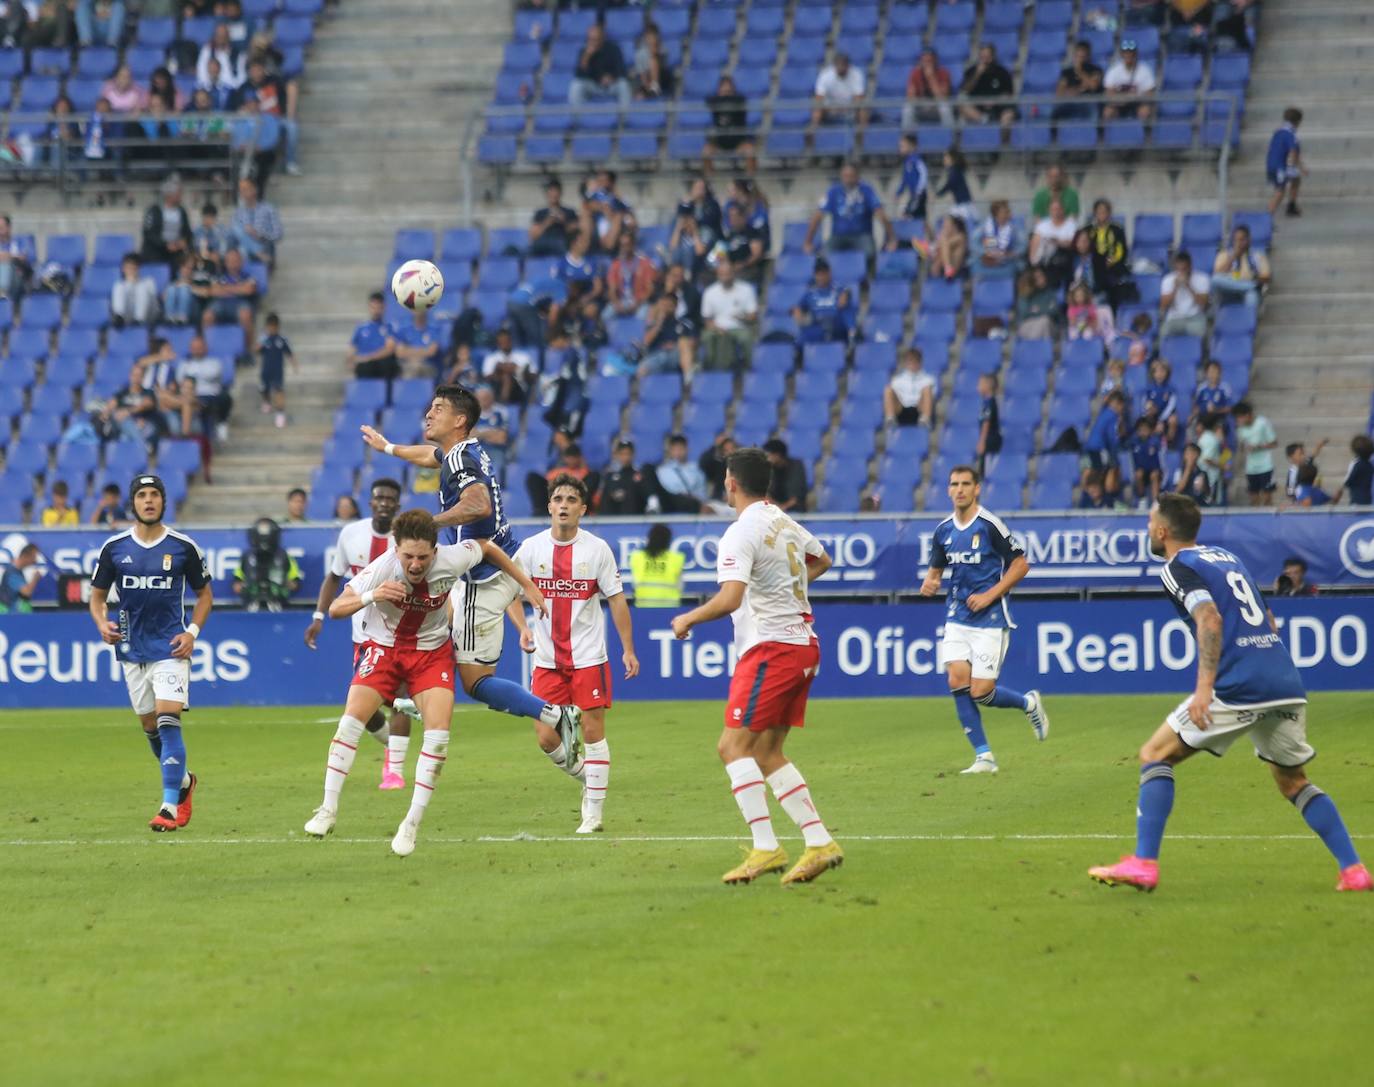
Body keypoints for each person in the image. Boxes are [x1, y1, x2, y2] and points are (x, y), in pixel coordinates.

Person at [1088, 494, 1371, 894]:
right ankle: (1354, 871)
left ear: (1163, 531)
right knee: (1293, 782)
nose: (1148, 527)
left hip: (1239, 684)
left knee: (1155, 754)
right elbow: (1268, 617)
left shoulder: (1176, 567)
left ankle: (1144, 863)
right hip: (1284, 681)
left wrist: (1205, 688)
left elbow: (1209, 617)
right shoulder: (1224, 557)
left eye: (1151, 521)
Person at [302, 509, 548, 856]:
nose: (415, 564)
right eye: (408, 556)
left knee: (438, 736)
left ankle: (410, 825)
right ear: (396, 550)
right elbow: (338, 609)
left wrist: (526, 584)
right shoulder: (383, 568)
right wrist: (375, 595)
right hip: (384, 649)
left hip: (431, 655)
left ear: (435, 551)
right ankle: (327, 809)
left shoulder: (451, 558)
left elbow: (487, 547)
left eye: (422, 557)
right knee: (350, 722)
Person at [361, 385, 584, 742]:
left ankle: (555, 715)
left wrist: (428, 524)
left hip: (484, 575)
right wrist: (387, 447)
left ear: (459, 420)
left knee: (476, 681)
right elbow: (427, 455)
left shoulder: (460, 460)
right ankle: (424, 690)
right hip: (494, 563)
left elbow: (478, 504)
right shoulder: (462, 451)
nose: (428, 414)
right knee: (434, 620)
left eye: (438, 408)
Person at [670, 447, 844, 885]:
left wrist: (689, 617)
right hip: (804, 645)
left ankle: (766, 848)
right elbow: (822, 559)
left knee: (733, 748)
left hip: (772, 648)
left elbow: (730, 598)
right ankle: (820, 842)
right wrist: (787, 589)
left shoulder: (739, 532)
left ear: (730, 482)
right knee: (766, 752)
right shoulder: (783, 520)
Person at [506, 474, 638, 834]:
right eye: (558, 498)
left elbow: (617, 600)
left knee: (594, 731)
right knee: (546, 738)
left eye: (571, 499)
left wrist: (627, 649)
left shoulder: (597, 550)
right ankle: (587, 778)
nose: (563, 505)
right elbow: (509, 593)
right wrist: (523, 628)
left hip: (588, 658)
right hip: (546, 660)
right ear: (549, 506)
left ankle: (593, 813)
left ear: (583, 508)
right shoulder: (531, 549)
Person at [88, 475, 213, 832]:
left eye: (154, 494)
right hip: (131, 649)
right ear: (133, 502)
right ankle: (184, 781)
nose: (148, 501)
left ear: (163, 501)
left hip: (171, 647)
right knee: (149, 726)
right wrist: (101, 623)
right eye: (142, 495)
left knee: (167, 719)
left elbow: (205, 595)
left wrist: (192, 632)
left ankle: (168, 806)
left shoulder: (183, 547)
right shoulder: (113, 548)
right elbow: (96, 597)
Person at [919, 465, 1050, 775]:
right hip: (957, 616)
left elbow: (1020, 565)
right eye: (954, 484)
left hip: (990, 617)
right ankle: (984, 757)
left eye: (966, 483)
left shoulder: (990, 525)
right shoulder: (943, 531)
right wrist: (930, 582)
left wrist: (991, 595)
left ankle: (1028, 704)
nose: (960, 489)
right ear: (948, 490)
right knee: (956, 679)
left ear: (977, 489)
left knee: (981, 692)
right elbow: (936, 571)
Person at [304, 477, 414, 788]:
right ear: (370, 502)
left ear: (397, 504)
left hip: (399, 631)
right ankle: (394, 747)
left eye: (390, 499)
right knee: (362, 708)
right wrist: (318, 616)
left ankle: (394, 770)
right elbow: (334, 577)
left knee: (399, 699)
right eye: (379, 497)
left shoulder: (406, 539)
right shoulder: (351, 534)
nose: (384, 503)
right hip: (361, 634)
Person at [805, 162, 894, 258]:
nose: (848, 179)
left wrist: (892, 239)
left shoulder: (867, 190)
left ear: (858, 176)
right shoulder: (833, 191)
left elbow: (880, 214)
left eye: (851, 176)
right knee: (823, 257)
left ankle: (869, 273)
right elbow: (818, 216)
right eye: (845, 176)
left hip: (862, 235)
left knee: (870, 254)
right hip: (838, 236)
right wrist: (808, 241)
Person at [699, 258, 757, 372]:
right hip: (717, 327)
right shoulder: (710, 292)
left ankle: (749, 368)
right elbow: (707, 320)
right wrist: (716, 328)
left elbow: (753, 316)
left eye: (728, 273)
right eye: (722, 274)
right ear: (717, 274)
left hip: (739, 327)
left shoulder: (746, 289)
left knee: (746, 337)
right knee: (707, 336)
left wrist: (743, 317)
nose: (725, 277)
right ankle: (710, 367)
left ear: (733, 273)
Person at [231, 517, 301, 611]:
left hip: (278, 604)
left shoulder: (284, 556)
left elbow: (296, 583)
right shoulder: (247, 556)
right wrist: (246, 585)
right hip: (251, 604)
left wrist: (283, 583)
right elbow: (236, 584)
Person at [177, 332, 233, 442]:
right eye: (194, 347)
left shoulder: (214, 362)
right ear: (190, 348)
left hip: (212, 395)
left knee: (225, 397)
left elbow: (213, 374)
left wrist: (193, 377)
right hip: (193, 396)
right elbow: (180, 381)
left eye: (200, 347)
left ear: (205, 348)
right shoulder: (184, 364)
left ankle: (222, 423)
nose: (197, 350)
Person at [568, 22, 630, 110]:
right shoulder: (584, 52)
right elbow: (579, 75)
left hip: (610, 86)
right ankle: (577, 119)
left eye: (595, 39)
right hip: (593, 86)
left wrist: (611, 77)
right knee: (576, 85)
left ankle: (624, 120)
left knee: (623, 85)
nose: (592, 42)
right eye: (590, 39)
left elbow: (621, 70)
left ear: (602, 38)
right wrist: (586, 57)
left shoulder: (614, 49)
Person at [703, 75, 755, 177]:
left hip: (738, 143)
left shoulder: (739, 101)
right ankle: (709, 179)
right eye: (723, 87)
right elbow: (709, 100)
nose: (726, 90)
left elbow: (741, 100)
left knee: (750, 151)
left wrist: (728, 96)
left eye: (728, 88)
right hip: (720, 143)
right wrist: (723, 96)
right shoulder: (715, 103)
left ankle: (749, 178)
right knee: (706, 152)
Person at [140, 176, 193, 271]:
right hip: (157, 250)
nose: (181, 196)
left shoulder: (181, 211)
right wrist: (165, 245)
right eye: (178, 194)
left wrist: (184, 241)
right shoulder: (154, 210)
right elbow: (149, 233)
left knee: (185, 261)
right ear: (170, 195)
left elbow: (187, 231)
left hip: (176, 251)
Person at [792, 259, 850, 345]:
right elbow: (798, 307)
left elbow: (848, 291)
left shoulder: (839, 290)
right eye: (818, 274)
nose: (820, 277)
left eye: (823, 274)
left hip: (836, 327)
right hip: (818, 326)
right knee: (801, 338)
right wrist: (798, 311)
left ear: (829, 273)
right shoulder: (810, 293)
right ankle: (799, 355)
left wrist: (847, 294)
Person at [959, 42, 1016, 127]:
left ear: (993, 56)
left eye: (987, 56)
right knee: (962, 104)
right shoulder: (971, 71)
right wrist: (977, 74)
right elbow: (965, 90)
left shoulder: (1002, 72)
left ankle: (1004, 139)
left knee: (1008, 115)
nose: (985, 60)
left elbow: (1008, 94)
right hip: (977, 107)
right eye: (982, 57)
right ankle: (985, 120)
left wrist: (995, 101)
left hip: (998, 107)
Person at [1212, 224, 1270, 308]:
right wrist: (1233, 257)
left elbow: (1266, 276)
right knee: (1215, 279)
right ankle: (1251, 287)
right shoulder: (1224, 255)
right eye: (1236, 240)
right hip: (1228, 289)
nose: (1239, 243)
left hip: (1247, 289)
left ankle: (1248, 319)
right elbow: (1218, 274)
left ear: (1249, 239)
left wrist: (1253, 277)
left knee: (1252, 296)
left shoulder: (1257, 256)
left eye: (1242, 240)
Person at [1083, 390, 1127, 498]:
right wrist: (1115, 450)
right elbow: (1112, 436)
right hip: (1100, 447)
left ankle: (1089, 497)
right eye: (1122, 406)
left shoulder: (1104, 413)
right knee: (1107, 470)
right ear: (1117, 404)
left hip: (1091, 446)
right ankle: (1104, 499)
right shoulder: (1113, 416)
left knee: (1094, 471)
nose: (1122, 409)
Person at [229, 177, 282, 265]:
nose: (242, 192)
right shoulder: (238, 212)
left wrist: (259, 234)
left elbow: (278, 234)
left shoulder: (268, 209)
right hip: (243, 251)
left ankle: (256, 253)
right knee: (236, 230)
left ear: (254, 189)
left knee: (237, 229)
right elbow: (233, 235)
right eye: (241, 190)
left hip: (263, 246)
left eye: (245, 189)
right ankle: (256, 251)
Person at [1233, 401, 1277, 506]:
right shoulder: (1240, 429)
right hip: (1251, 468)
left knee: (1267, 498)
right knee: (1253, 499)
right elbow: (1241, 447)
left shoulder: (1262, 423)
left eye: (1239, 417)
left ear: (1248, 415)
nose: (1238, 420)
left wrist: (1259, 446)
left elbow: (1274, 443)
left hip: (1265, 466)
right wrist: (1245, 447)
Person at [630, 523, 684, 607]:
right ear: (668, 540)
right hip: (670, 609)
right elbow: (680, 586)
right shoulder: (676, 558)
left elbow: (634, 584)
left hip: (643, 608)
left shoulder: (637, 557)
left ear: (649, 538)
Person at [346, 292, 397, 381]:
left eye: (379, 308)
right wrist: (351, 361)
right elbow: (351, 350)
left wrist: (368, 358)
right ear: (369, 307)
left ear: (384, 308)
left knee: (387, 364)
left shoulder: (389, 328)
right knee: (364, 368)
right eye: (373, 307)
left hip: (381, 366)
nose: (376, 311)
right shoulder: (361, 328)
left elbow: (389, 349)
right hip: (364, 367)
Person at [1102, 39, 1157, 121]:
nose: (1128, 55)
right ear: (1122, 54)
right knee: (1108, 111)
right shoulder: (1114, 70)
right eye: (1126, 52)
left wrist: (1134, 98)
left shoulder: (1145, 70)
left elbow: (1150, 93)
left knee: (1145, 111)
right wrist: (1124, 98)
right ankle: (1111, 133)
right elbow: (1109, 93)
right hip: (1119, 104)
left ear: (1135, 54)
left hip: (1138, 103)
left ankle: (1145, 134)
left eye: (1131, 52)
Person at [1159, 251, 1210, 338]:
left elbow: (1203, 304)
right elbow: (1163, 306)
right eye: (1178, 269)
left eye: (1184, 269)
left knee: (1201, 334)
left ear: (1190, 266)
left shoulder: (1202, 278)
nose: (1181, 272)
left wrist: (1189, 286)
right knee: (1164, 334)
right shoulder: (1167, 280)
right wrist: (1175, 288)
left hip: (1195, 318)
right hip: (1174, 318)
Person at [257, 312, 295, 428]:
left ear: (278, 327)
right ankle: (267, 402)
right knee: (264, 389)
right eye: (270, 327)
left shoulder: (282, 339)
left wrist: (294, 365)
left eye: (274, 327)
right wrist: (259, 345)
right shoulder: (264, 339)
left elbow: (289, 353)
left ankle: (280, 414)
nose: (272, 329)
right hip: (266, 370)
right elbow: (256, 351)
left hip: (277, 371)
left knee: (279, 391)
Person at [655, 433, 710, 513]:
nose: (678, 453)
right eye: (674, 449)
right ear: (670, 451)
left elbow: (702, 494)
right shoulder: (661, 471)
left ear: (687, 449)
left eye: (681, 449)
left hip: (690, 505)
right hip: (669, 505)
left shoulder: (696, 469)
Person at [1266, 107, 1305, 218]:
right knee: (1280, 191)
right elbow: (1293, 152)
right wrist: (1297, 166)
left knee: (1296, 179)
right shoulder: (1290, 134)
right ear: (1298, 121)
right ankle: (1267, 219)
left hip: (1272, 164)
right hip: (1279, 167)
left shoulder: (1278, 131)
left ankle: (1291, 206)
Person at [528, 177, 579, 258]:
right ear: (547, 193)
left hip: (561, 242)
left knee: (564, 248)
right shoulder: (540, 213)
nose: (553, 194)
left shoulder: (569, 212)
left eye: (556, 191)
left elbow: (576, 232)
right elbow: (533, 236)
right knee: (528, 251)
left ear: (560, 193)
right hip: (542, 243)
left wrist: (564, 221)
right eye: (551, 190)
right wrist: (548, 221)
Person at [885, 346, 935, 428]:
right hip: (901, 409)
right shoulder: (897, 380)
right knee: (888, 390)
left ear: (920, 363)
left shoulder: (929, 380)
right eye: (910, 361)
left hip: (919, 410)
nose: (912, 364)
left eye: (915, 361)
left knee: (927, 389)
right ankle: (890, 419)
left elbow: (932, 399)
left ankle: (925, 420)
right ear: (905, 363)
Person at [1054, 40, 1104, 122]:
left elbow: (1093, 86)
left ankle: (1096, 134)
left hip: (1089, 101)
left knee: (1094, 113)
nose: (1081, 57)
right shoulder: (1067, 72)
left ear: (1088, 55)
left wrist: (1079, 71)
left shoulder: (1095, 70)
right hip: (1070, 101)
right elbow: (1059, 92)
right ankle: (1054, 134)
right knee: (1055, 112)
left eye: (1083, 55)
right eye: (1079, 54)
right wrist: (1078, 90)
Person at [902, 49, 953, 130]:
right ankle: (908, 136)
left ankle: (948, 134)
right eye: (924, 60)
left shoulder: (943, 73)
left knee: (944, 107)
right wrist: (914, 95)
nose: (927, 63)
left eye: (929, 60)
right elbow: (910, 96)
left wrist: (931, 78)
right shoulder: (915, 73)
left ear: (935, 61)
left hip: (936, 106)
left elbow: (942, 97)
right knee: (908, 107)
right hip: (922, 105)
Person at [812, 51, 865, 127]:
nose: (841, 67)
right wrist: (832, 108)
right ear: (834, 65)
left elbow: (858, 98)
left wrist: (848, 107)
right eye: (838, 65)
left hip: (850, 106)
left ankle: (861, 134)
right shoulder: (825, 74)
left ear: (848, 65)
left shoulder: (856, 74)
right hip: (830, 107)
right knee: (817, 107)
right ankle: (813, 131)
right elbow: (819, 97)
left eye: (843, 65)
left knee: (863, 108)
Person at [597, 439, 649, 515]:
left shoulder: (639, 474)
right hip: (614, 512)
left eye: (628, 454)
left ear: (633, 455)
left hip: (635, 513)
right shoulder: (610, 475)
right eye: (622, 454)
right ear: (617, 455)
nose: (626, 457)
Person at [110, 253, 160, 328]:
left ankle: (139, 319)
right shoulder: (120, 285)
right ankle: (119, 316)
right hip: (128, 316)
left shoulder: (148, 282)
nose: (130, 271)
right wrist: (129, 284)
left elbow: (154, 303)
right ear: (123, 269)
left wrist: (136, 282)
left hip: (148, 315)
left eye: (133, 268)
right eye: (128, 268)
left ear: (138, 268)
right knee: (119, 286)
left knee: (141, 288)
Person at [763, 438, 808, 513]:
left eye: (768, 455)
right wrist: (776, 507)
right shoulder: (768, 469)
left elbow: (797, 495)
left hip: (795, 511)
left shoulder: (796, 467)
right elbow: (765, 494)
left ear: (777, 455)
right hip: (774, 510)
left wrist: (783, 508)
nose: (766, 458)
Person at [894, 132, 929, 226]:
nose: (900, 149)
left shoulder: (916, 160)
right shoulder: (907, 162)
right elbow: (905, 180)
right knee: (921, 219)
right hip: (914, 195)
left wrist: (920, 190)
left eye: (902, 146)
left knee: (906, 214)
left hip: (918, 195)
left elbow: (923, 174)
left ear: (911, 146)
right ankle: (929, 238)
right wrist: (899, 192)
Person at [1129, 415, 1164, 504]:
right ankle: (1142, 499)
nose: (1143, 431)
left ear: (1150, 430)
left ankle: (1156, 503)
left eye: (1146, 429)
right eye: (1141, 429)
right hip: (1141, 470)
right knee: (1139, 474)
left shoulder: (1155, 442)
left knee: (1154, 475)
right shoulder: (1134, 443)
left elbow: (1160, 461)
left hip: (1155, 470)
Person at [1333, 434, 1374, 506]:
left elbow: (1348, 480)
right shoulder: (1370, 465)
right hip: (1367, 497)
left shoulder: (1355, 463)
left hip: (1356, 498)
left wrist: (1340, 490)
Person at [0, 542, 40, 613]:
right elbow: (26, 592)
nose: (35, 561)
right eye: (34, 557)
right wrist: (35, 578)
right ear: (26, 556)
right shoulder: (12, 574)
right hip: (11, 616)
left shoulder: (17, 572)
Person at [975, 372, 1002, 474]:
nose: (977, 387)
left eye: (980, 384)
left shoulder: (988, 403)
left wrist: (982, 441)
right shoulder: (988, 402)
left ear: (987, 386)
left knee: (985, 468)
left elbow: (986, 422)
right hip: (990, 438)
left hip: (990, 439)